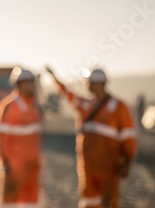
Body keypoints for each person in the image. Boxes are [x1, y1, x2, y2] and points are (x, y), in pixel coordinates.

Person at [47, 67, 137, 208]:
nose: (87, 86)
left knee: (109, 202)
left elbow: (129, 138)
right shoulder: (86, 105)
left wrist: (127, 162)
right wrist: (54, 78)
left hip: (109, 169)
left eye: (90, 83)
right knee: (89, 202)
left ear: (99, 84)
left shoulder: (118, 107)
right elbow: (67, 94)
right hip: (88, 168)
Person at [0, 68, 41, 208]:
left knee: (30, 204)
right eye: (28, 83)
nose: (32, 86)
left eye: (32, 83)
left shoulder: (33, 107)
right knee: (10, 204)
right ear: (19, 84)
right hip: (14, 168)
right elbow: (1, 137)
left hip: (32, 167)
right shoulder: (9, 106)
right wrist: (4, 162)